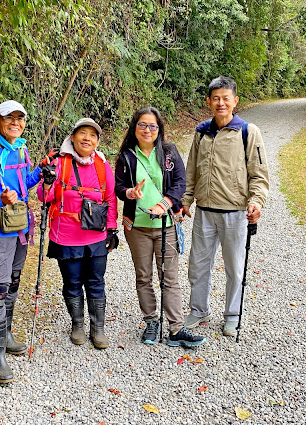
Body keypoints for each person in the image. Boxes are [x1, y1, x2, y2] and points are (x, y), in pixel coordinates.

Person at [0, 100, 57, 383]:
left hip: (20, 227)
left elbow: (22, 185)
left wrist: (41, 173)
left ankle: (7, 336)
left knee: (14, 283)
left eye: (20, 118)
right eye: (9, 118)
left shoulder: (22, 149)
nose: (15, 122)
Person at [181, 76, 270, 337]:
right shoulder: (201, 132)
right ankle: (199, 310)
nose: (221, 103)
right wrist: (186, 200)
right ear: (208, 101)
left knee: (235, 267)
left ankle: (232, 315)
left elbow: (259, 174)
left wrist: (256, 201)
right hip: (205, 212)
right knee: (198, 265)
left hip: (235, 212)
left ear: (235, 101)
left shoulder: (247, 132)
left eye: (226, 98)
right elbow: (191, 172)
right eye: (216, 98)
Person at [115, 107, 205, 348]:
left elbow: (180, 182)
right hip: (137, 227)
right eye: (142, 125)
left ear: (159, 129)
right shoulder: (126, 156)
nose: (147, 130)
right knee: (143, 276)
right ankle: (151, 322)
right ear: (135, 128)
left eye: (152, 126)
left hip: (166, 225)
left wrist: (165, 203)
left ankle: (176, 328)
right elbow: (118, 187)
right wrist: (130, 193)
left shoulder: (169, 152)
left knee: (170, 277)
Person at [38, 118, 118, 349]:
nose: (87, 138)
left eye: (92, 135)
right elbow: (43, 198)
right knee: (72, 282)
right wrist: (48, 182)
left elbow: (110, 198)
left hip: (95, 235)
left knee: (96, 281)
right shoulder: (59, 163)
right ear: (72, 137)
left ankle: (98, 329)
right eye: (82, 133)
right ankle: (77, 325)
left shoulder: (102, 165)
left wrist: (111, 229)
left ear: (97, 141)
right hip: (66, 235)